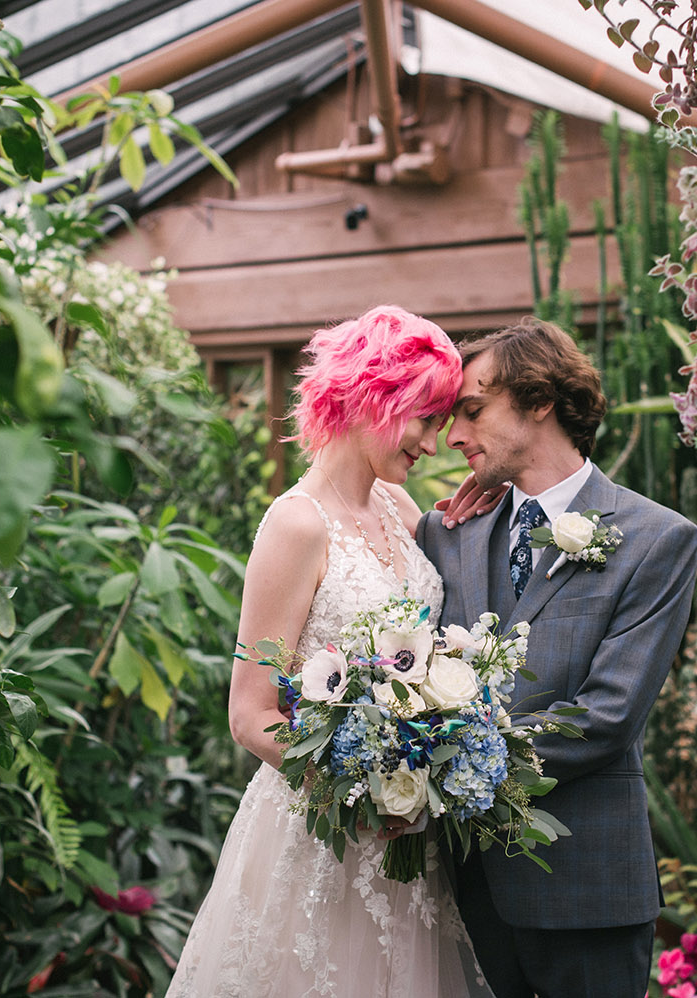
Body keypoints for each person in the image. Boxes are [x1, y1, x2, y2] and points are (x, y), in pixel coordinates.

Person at [166, 306, 495, 998]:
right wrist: (365, 794)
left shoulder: (405, 511)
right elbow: (251, 714)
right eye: (425, 419)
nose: (433, 445)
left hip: (408, 849)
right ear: (376, 397)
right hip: (325, 838)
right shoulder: (294, 524)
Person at [416, 317, 697, 998]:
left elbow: (606, 717)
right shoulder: (444, 531)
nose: (452, 437)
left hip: (585, 888)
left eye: (473, 411)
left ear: (540, 400)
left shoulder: (656, 540)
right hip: (461, 892)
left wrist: (440, 764)